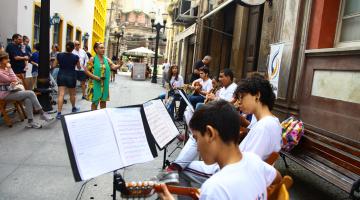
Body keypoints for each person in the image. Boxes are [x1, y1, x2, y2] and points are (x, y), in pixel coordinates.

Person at [165, 76, 282, 188]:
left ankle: (174, 168)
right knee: (201, 135)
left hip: (228, 171)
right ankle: (176, 165)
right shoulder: (271, 122)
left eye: (242, 97)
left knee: (182, 168)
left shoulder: (264, 126)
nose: (239, 102)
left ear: (257, 96)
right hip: (234, 167)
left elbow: (246, 166)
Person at [157, 100, 282, 200]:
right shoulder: (254, 160)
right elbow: (278, 177)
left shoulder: (215, 188)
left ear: (210, 133)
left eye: (196, 139)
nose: (198, 148)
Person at [0, 51, 53, 128]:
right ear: (1, 60)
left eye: (8, 58)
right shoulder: (1, 72)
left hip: (13, 90)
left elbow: (17, 79)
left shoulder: (5, 69)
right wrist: (10, 69)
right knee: (30, 93)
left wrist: (15, 81)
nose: (8, 60)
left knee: (28, 98)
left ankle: (30, 122)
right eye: (6, 59)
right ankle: (42, 113)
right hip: (5, 94)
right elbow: (13, 78)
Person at [85, 42, 120, 110]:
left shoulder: (106, 59)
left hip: (104, 84)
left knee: (103, 102)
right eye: (101, 48)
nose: (103, 49)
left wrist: (119, 65)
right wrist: (95, 77)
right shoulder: (93, 59)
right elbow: (86, 70)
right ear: (96, 49)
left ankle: (102, 117)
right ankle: (93, 117)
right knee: (95, 102)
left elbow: (113, 67)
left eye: (103, 48)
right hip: (95, 84)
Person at [54, 41, 81, 119]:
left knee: (61, 94)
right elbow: (79, 67)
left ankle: (59, 113)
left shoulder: (59, 55)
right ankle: (73, 108)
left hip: (61, 75)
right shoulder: (76, 57)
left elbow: (54, 65)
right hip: (71, 76)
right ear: (73, 48)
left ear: (66, 46)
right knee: (72, 94)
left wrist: (61, 64)